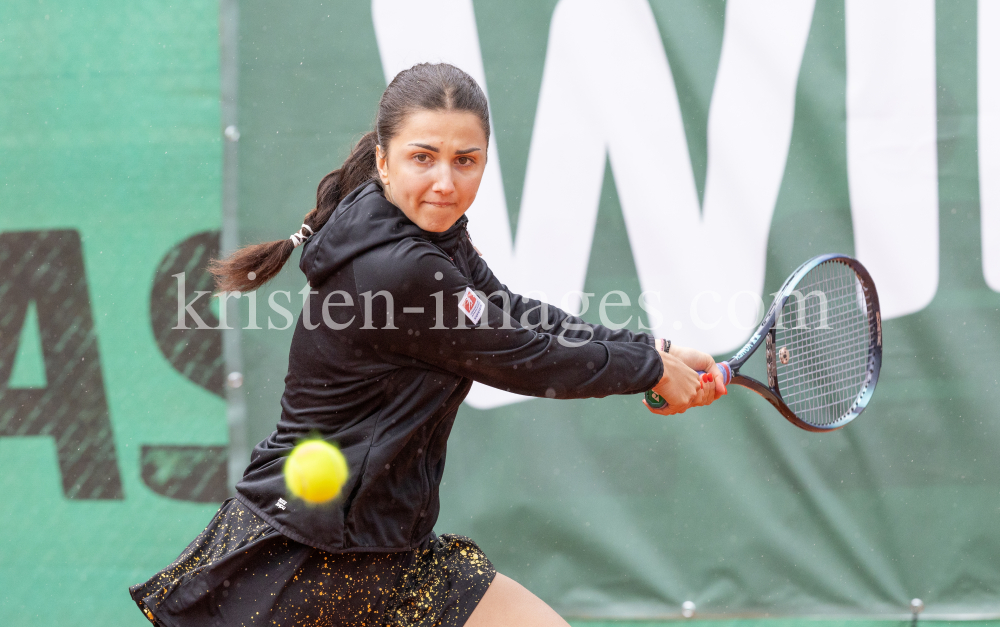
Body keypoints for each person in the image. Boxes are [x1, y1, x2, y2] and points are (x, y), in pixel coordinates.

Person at [129, 62, 726, 627]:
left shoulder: (429, 235)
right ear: (385, 163)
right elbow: (523, 357)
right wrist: (647, 370)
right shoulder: (398, 269)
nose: (446, 181)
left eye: (466, 160)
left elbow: (513, 314)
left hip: (393, 554)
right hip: (305, 559)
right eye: (424, 158)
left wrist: (656, 348)